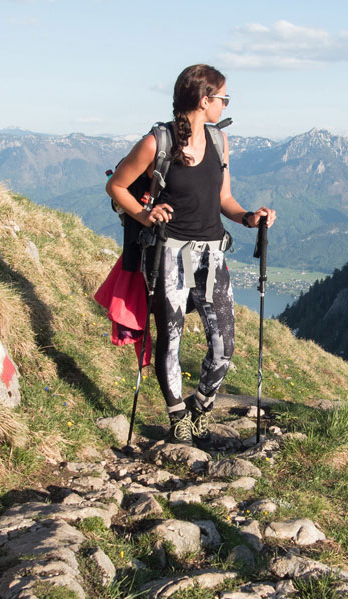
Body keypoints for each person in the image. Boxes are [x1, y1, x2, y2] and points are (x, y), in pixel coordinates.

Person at [105, 64, 275, 443]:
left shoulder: (218, 141)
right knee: (171, 338)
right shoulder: (158, 142)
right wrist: (145, 215)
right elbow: (116, 185)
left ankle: (201, 406)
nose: (226, 105)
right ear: (204, 101)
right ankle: (177, 415)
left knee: (224, 345)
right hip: (170, 254)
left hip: (212, 255)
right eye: (223, 98)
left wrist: (249, 218)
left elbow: (223, 200)